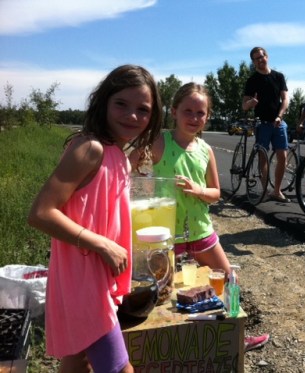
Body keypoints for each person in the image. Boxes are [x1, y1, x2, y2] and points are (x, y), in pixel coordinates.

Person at [27, 64, 164, 373]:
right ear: (104, 102)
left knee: (78, 360)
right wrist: (103, 245)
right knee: (117, 367)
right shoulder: (89, 148)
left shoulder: (115, 152)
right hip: (85, 283)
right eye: (121, 104)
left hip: (96, 277)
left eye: (143, 110)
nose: (132, 116)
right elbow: (40, 213)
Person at [131, 82, 269, 352]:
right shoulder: (159, 142)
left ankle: (235, 338)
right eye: (188, 111)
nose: (194, 118)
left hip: (201, 231)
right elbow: (129, 172)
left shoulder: (205, 150)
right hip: (165, 237)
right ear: (174, 111)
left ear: (208, 116)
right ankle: (160, 347)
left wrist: (198, 190)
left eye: (201, 113)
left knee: (229, 280)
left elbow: (216, 192)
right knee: (159, 293)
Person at [242, 46, 290, 203]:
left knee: (282, 156)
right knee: (263, 158)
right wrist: (252, 102)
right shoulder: (252, 80)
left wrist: (280, 116)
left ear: (267, 56)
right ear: (253, 62)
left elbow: (286, 99)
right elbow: (244, 106)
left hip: (278, 122)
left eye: (261, 56)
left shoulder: (279, 77)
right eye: (256, 58)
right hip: (262, 124)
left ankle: (276, 191)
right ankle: (265, 190)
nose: (260, 60)